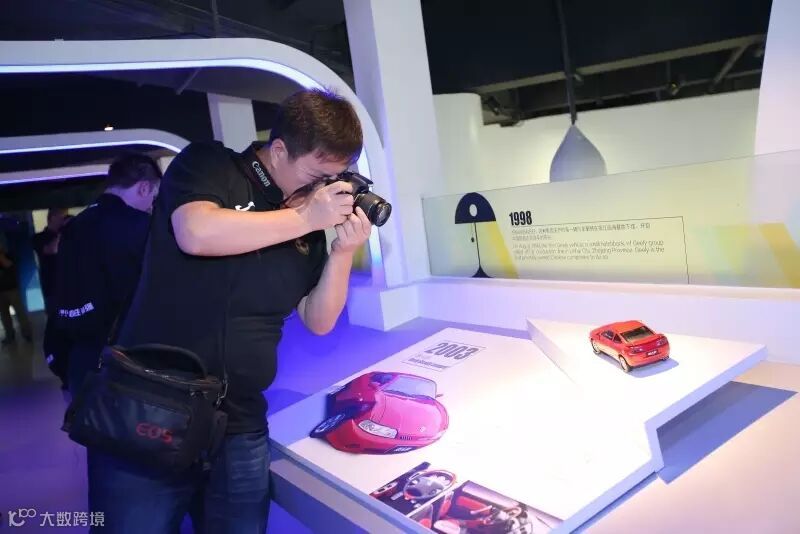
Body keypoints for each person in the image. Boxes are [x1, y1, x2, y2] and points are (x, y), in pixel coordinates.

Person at [99, 88, 371, 533]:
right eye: (316, 175)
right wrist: (306, 219)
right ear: (279, 150)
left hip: (239, 423)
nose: (323, 189)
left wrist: (342, 251)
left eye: (334, 179)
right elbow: (196, 232)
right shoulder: (209, 164)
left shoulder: (306, 225)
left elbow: (319, 320)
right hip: (152, 405)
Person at [54, 153, 161, 396]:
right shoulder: (140, 226)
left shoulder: (75, 225)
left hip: (80, 354)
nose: (151, 205)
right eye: (153, 196)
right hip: (129, 355)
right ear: (144, 188)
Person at [33, 207, 69, 313]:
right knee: (55, 316)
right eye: (62, 217)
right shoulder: (39, 237)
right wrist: (61, 233)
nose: (64, 221)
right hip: (52, 285)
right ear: (53, 218)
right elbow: (51, 250)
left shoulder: (69, 235)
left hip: (69, 284)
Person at [0, 242, 33, 345]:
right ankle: (9, 335)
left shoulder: (10, 255)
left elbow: (8, 265)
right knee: (4, 316)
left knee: (20, 312)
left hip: (12, 289)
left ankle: (27, 333)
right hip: (1, 291)